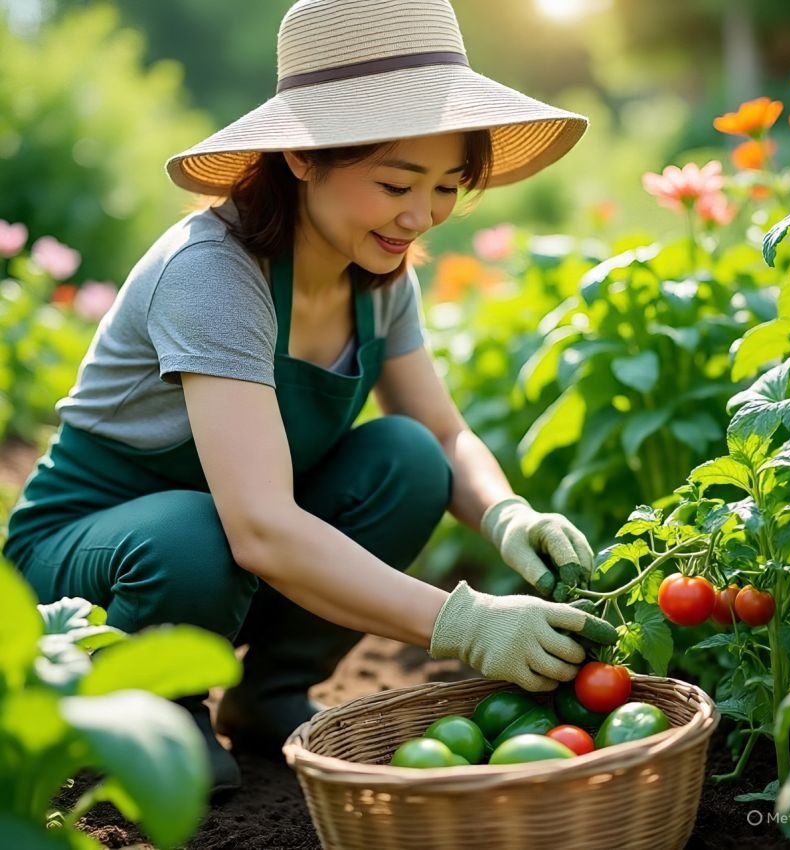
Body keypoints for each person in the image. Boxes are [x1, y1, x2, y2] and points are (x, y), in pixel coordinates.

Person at [3, 0, 615, 795]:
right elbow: (257, 527)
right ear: (301, 155)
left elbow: (442, 430)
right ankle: (153, 700)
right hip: (91, 567)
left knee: (408, 460)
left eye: (446, 187)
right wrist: (462, 626)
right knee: (196, 530)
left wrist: (508, 514)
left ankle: (270, 692)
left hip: (229, 557)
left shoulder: (376, 266)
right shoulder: (213, 275)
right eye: (396, 182)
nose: (419, 216)